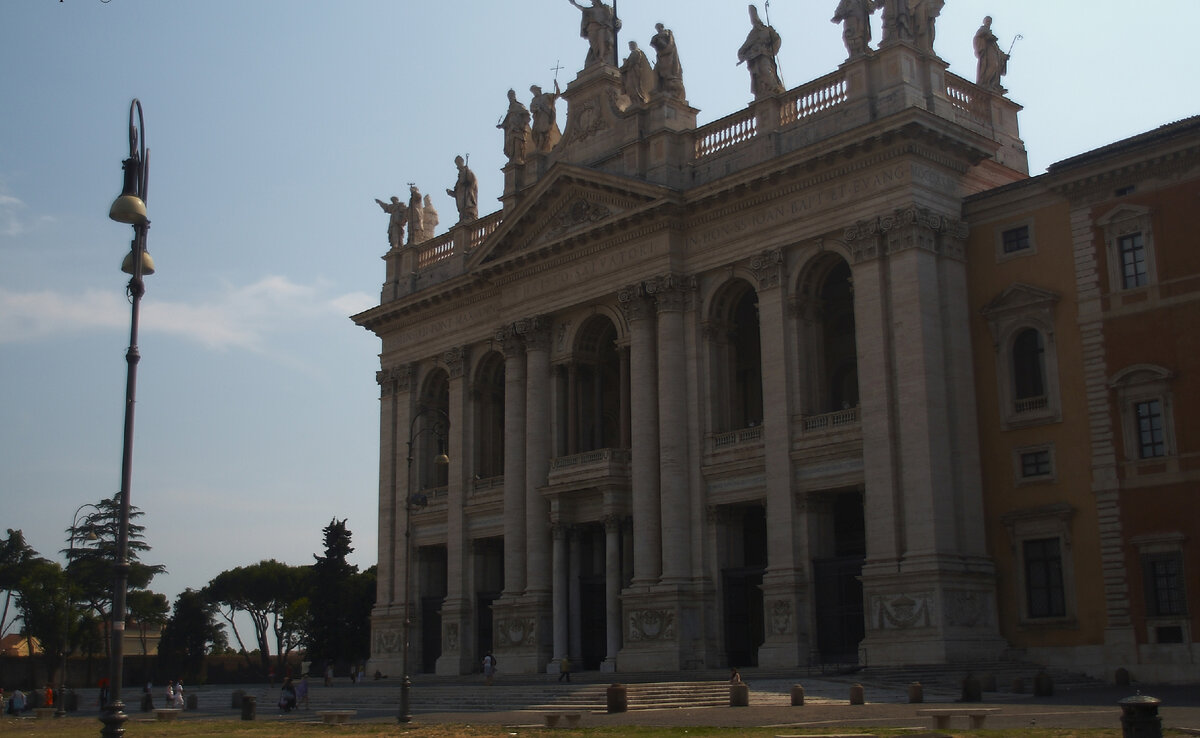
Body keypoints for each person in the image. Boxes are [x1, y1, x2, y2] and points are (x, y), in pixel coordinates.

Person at [737, 5, 784, 100]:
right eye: (752, 16)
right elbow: (742, 50)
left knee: (766, 70)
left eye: (754, 15)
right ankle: (770, 89)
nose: (753, 18)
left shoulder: (767, 30)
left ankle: (774, 88)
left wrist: (771, 49)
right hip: (755, 58)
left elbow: (777, 40)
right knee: (760, 74)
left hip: (765, 55)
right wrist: (744, 55)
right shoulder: (753, 33)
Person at [567, 0, 620, 67]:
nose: (593, 1)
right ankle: (597, 57)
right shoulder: (590, 9)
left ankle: (601, 56)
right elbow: (582, 8)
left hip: (603, 27)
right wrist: (574, 3)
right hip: (592, 29)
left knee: (602, 40)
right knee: (595, 46)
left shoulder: (606, 8)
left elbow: (615, 18)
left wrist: (618, 22)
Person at [650, 23, 685, 101]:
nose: (657, 29)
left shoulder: (668, 32)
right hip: (661, 56)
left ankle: (668, 88)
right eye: (656, 28)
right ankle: (658, 88)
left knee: (667, 71)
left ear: (662, 27)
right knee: (656, 71)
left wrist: (664, 46)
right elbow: (652, 43)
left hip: (669, 55)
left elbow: (671, 44)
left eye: (658, 27)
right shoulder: (656, 36)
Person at [973, 16, 1008, 90]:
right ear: (984, 21)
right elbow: (978, 37)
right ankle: (985, 83)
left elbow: (997, 49)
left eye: (990, 21)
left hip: (992, 51)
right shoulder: (982, 29)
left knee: (996, 66)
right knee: (993, 65)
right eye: (987, 21)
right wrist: (988, 37)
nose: (988, 22)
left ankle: (992, 84)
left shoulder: (990, 33)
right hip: (987, 52)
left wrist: (1003, 56)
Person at [497, 89, 531, 166]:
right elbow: (507, 121)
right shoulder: (510, 108)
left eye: (512, 95)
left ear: (514, 96)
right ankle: (513, 159)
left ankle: (517, 158)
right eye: (509, 95)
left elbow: (527, 115)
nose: (510, 97)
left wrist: (522, 125)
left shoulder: (518, 106)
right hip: (511, 130)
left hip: (518, 129)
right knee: (511, 145)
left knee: (518, 143)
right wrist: (502, 125)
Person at [529, 81, 562, 153]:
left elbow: (557, 94)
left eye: (534, 91)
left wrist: (556, 86)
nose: (534, 93)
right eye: (533, 92)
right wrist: (536, 109)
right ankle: (539, 147)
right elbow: (531, 109)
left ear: (538, 90)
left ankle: (541, 148)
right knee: (535, 133)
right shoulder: (534, 100)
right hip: (538, 118)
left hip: (545, 117)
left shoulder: (546, 96)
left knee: (543, 132)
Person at [446, 155, 479, 223]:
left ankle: (469, 217)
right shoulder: (459, 179)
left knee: (468, 209)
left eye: (459, 162)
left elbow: (472, 182)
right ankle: (463, 218)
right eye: (457, 163)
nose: (458, 165)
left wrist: (467, 177)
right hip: (462, 199)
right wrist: (451, 192)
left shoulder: (468, 172)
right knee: (463, 211)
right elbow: (457, 192)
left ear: (462, 162)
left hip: (468, 195)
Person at [620, 41, 653, 106]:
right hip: (630, 72)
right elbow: (629, 63)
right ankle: (634, 101)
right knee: (630, 87)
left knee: (634, 86)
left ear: (635, 45)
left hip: (634, 72)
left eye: (631, 45)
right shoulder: (633, 53)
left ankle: (637, 100)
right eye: (630, 45)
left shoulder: (636, 52)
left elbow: (632, 62)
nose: (630, 47)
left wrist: (625, 65)